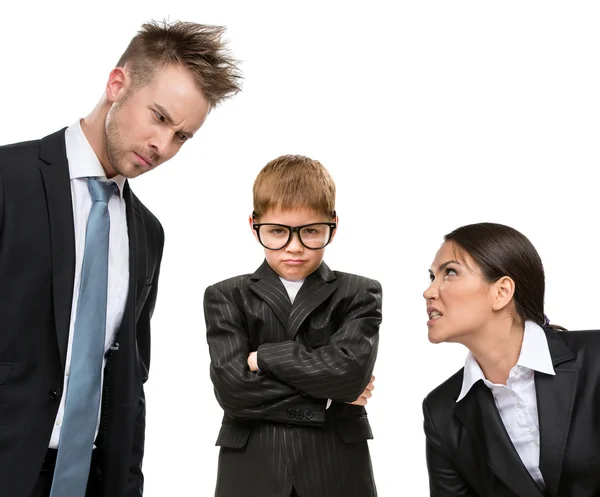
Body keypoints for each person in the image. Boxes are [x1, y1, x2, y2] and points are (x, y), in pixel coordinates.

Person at [0, 20, 241, 497]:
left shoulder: (147, 233)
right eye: (159, 117)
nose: (163, 146)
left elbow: (131, 381)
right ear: (117, 84)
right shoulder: (8, 180)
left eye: (182, 136)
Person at [204, 155, 381, 497]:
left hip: (337, 469)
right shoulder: (226, 295)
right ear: (254, 225)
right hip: (252, 469)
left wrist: (264, 358)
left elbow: (349, 375)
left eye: (311, 231)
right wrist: (329, 398)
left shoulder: (359, 292)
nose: (295, 248)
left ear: (334, 224)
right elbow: (233, 393)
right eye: (277, 232)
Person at [422, 222, 600, 497]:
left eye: (450, 273)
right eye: (432, 277)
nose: (429, 292)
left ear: (502, 292)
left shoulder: (596, 357)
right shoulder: (441, 412)